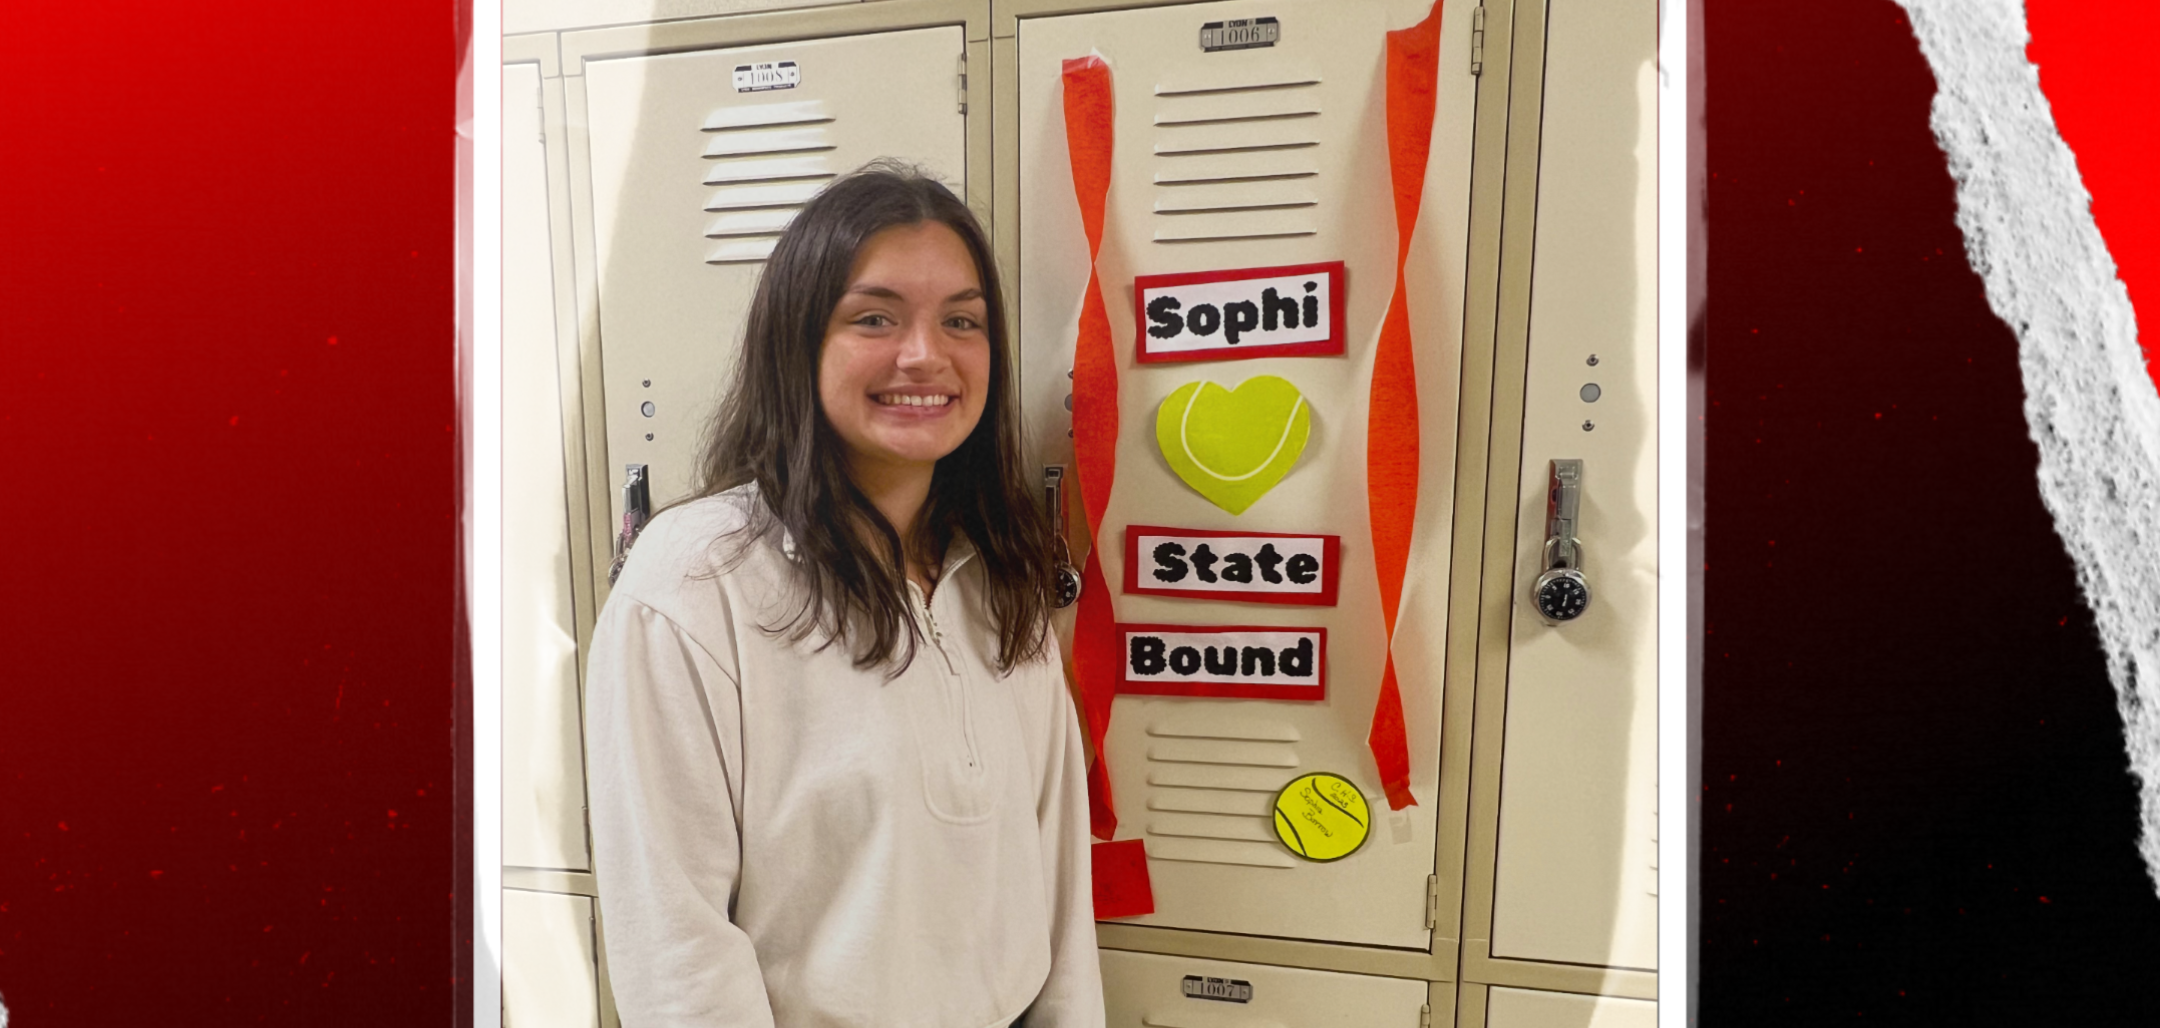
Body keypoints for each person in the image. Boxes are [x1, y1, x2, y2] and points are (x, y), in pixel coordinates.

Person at [584, 162, 1103, 1028]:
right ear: (799, 342)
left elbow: (1056, 885)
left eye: (962, 322)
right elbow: (677, 952)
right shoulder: (694, 582)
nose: (925, 355)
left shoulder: (998, 572)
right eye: (874, 318)